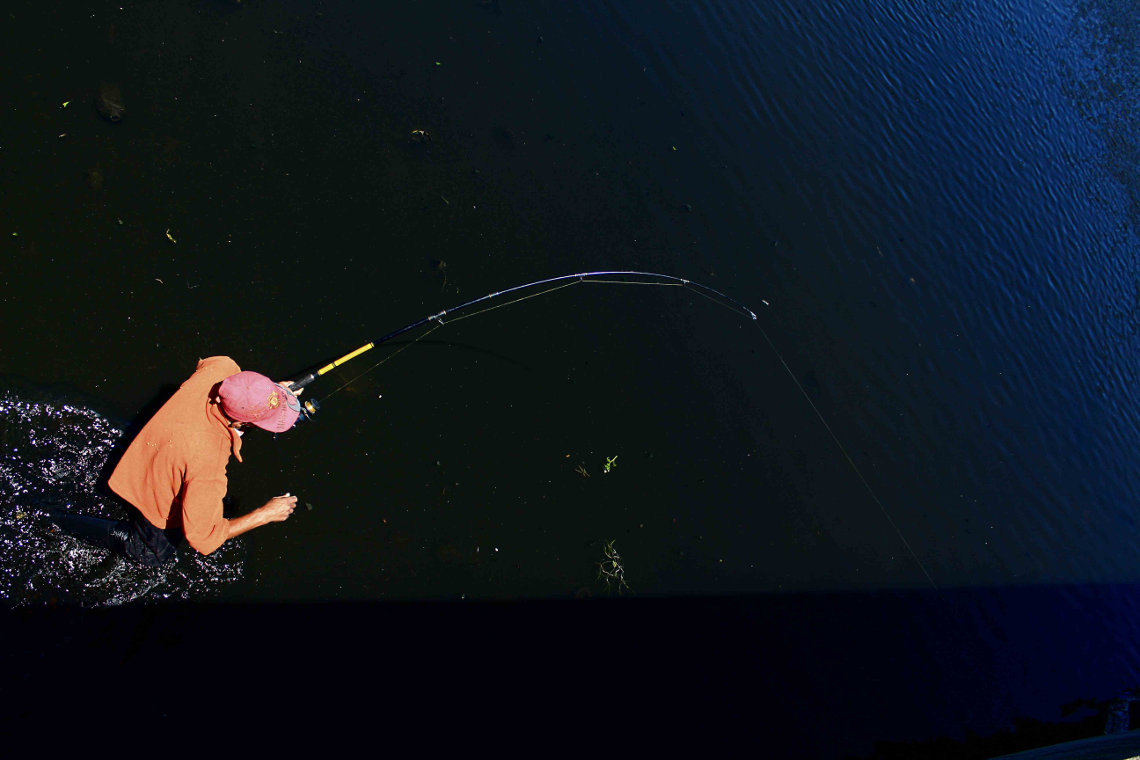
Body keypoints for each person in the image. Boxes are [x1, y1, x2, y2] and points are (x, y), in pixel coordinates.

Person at [54, 356, 302, 566]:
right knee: (151, 553)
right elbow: (204, 539)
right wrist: (265, 514)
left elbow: (219, 376)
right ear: (240, 423)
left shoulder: (222, 368)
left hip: (141, 457)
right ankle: (58, 522)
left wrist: (271, 394)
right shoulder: (208, 465)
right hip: (156, 495)